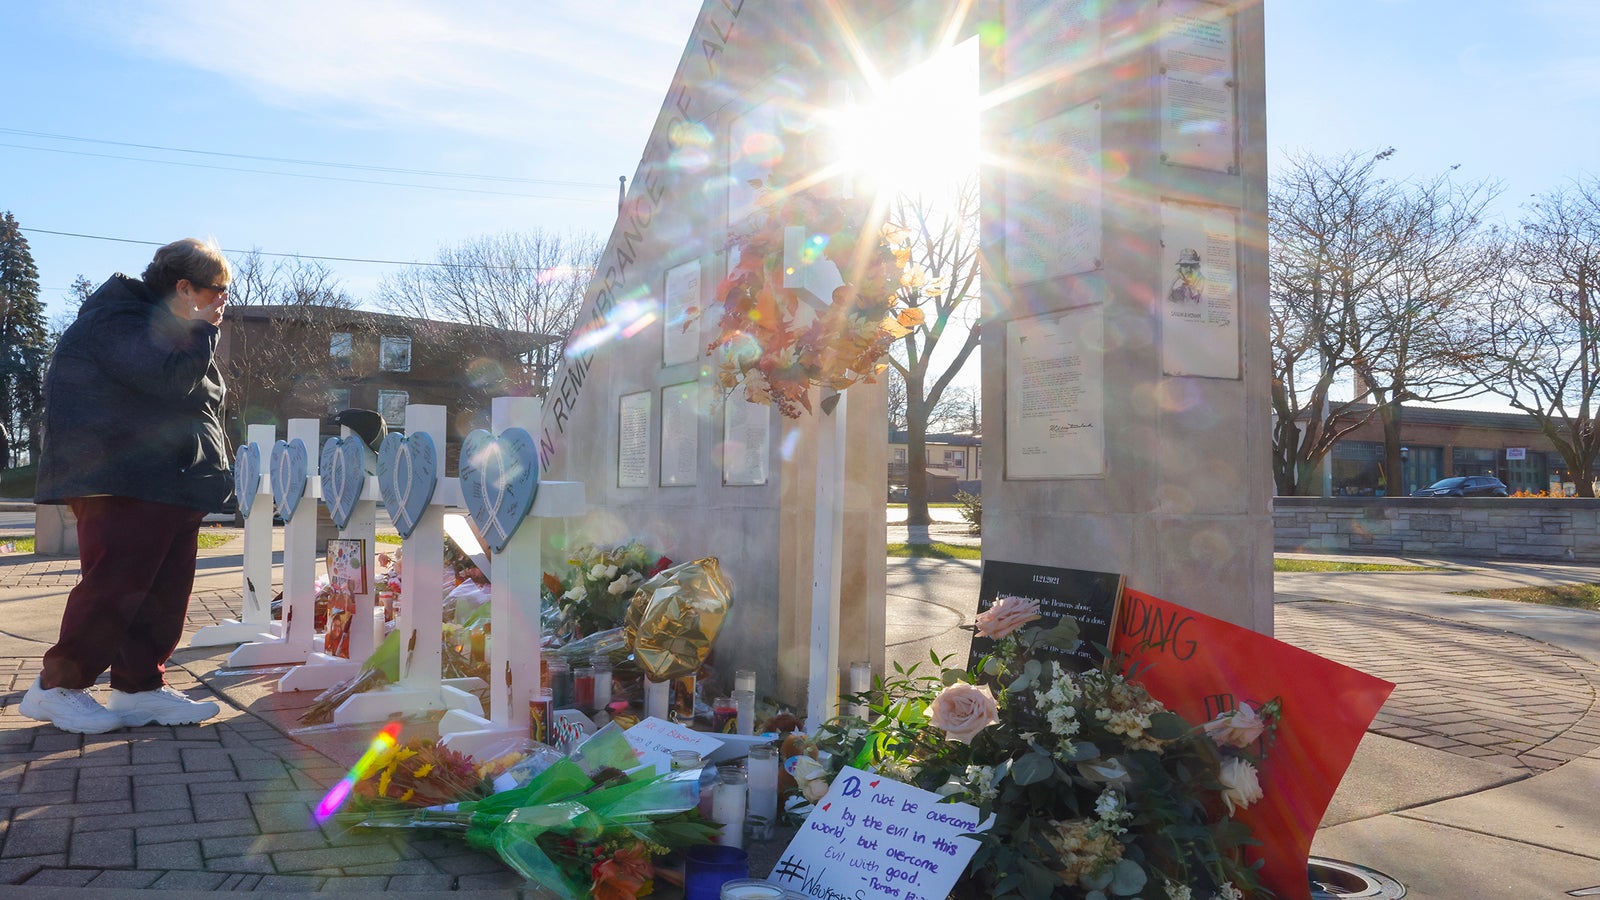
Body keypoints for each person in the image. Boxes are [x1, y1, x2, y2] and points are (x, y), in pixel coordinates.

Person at [19, 238, 234, 734]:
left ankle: (139, 690)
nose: (223, 300)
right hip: (123, 479)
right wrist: (204, 330)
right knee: (116, 585)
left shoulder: (170, 328)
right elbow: (165, 382)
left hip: (169, 480)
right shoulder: (118, 319)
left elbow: (198, 399)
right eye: (217, 289)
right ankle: (56, 688)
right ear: (184, 286)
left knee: (162, 592)